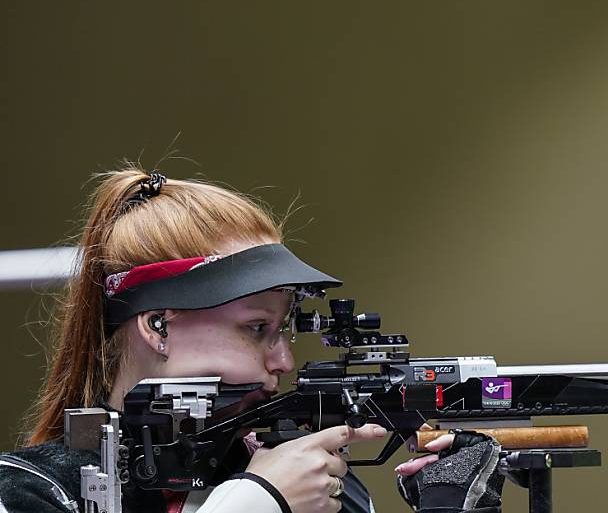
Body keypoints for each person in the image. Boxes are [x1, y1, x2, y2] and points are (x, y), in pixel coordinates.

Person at [0, 169, 505, 513]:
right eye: (256, 328)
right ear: (157, 326)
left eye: (283, 329)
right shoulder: (32, 491)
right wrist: (258, 499)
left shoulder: (323, 487)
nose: (284, 360)